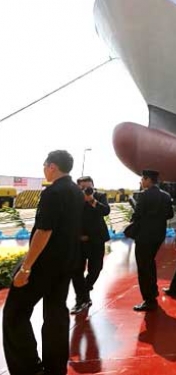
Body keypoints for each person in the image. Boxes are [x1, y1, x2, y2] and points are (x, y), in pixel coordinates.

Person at [3, 150, 84, 375]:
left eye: (44, 166)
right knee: (55, 314)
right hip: (66, 263)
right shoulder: (77, 192)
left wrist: (26, 268)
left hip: (43, 265)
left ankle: (27, 368)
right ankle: (55, 368)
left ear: (52, 166)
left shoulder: (53, 192)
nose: (44, 170)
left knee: (14, 314)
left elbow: (44, 230)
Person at [129, 169, 174, 312]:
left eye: (142, 179)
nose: (141, 182)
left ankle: (148, 299)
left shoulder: (143, 196)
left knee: (143, 267)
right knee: (150, 262)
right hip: (158, 236)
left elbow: (137, 215)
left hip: (144, 236)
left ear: (148, 180)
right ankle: (153, 291)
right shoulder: (166, 196)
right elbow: (170, 214)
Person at [70, 176, 111, 314]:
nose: (86, 190)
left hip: (96, 240)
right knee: (76, 271)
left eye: (89, 187)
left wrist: (92, 200)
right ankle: (81, 300)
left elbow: (105, 211)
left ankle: (85, 290)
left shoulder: (100, 196)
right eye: (83, 188)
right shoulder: (74, 198)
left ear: (93, 186)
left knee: (96, 269)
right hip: (78, 240)